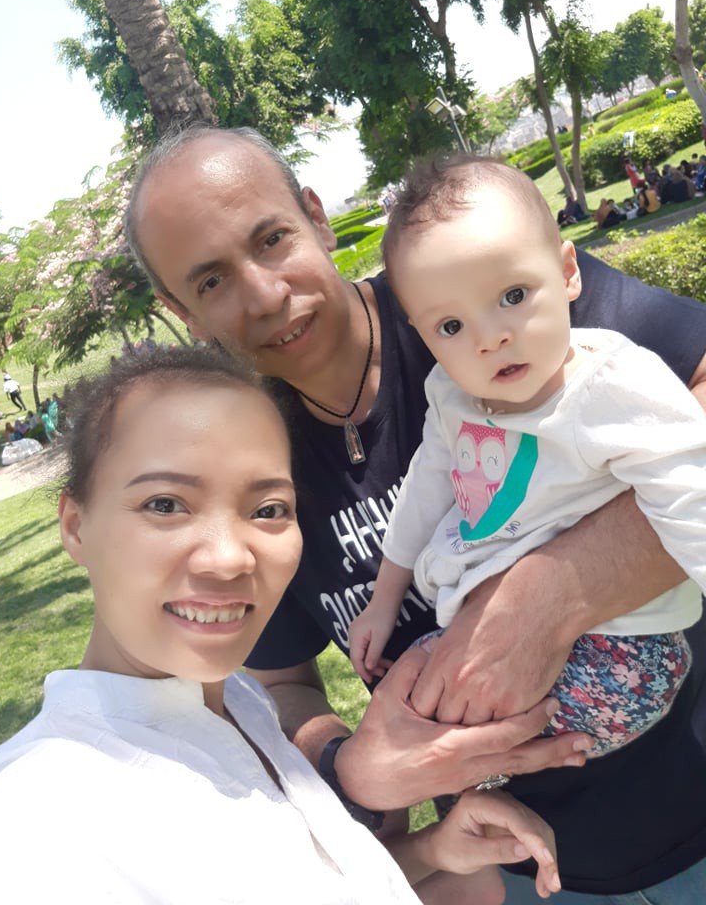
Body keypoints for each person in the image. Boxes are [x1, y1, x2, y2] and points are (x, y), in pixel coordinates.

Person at [125, 126, 706, 903]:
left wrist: (551, 593)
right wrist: (352, 765)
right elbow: (285, 683)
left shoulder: (470, 280)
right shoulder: (242, 469)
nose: (264, 295)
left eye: (271, 240)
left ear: (317, 217)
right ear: (180, 311)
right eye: (210, 281)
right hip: (531, 869)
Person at [0, 347, 562, 904]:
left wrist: (433, 850)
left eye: (268, 510)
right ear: (76, 526)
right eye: (165, 504)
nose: (228, 558)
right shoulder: (37, 821)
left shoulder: (236, 700)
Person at [348, 155, 704, 770]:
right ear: (422, 335)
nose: (490, 338)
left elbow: (691, 495)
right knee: (413, 693)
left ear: (568, 273)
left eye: (513, 296)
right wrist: (383, 601)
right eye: (451, 325)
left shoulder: (609, 386)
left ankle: (493, 769)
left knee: (447, 719)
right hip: (485, 626)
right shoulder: (452, 397)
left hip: (623, 644)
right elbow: (423, 492)